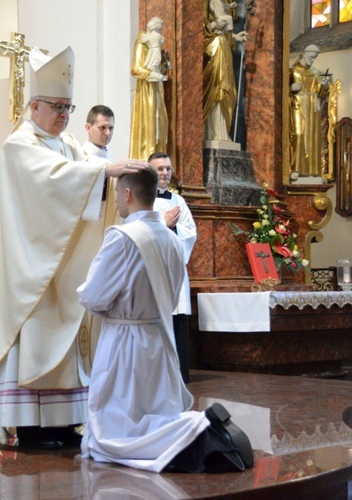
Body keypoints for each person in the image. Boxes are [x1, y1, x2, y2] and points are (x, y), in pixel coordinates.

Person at [0, 45, 149, 450]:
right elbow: (52, 183)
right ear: (34, 105)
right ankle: (32, 425)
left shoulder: (67, 145)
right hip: (32, 267)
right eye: (57, 106)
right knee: (37, 334)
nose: (65, 115)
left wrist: (111, 176)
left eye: (69, 107)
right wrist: (104, 170)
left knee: (69, 338)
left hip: (64, 266)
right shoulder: (19, 146)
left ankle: (66, 420)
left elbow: (81, 176)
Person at [77, 166, 253, 473]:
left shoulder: (121, 237)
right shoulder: (171, 239)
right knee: (153, 411)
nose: (118, 199)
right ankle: (194, 431)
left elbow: (94, 295)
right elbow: (172, 294)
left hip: (124, 339)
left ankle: (197, 430)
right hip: (159, 337)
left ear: (128, 194)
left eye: (119, 193)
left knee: (118, 425)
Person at [149, 151, 196, 383]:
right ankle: (157, 375)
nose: (165, 173)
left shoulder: (178, 201)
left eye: (168, 168)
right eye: (160, 169)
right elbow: (140, 228)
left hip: (175, 268)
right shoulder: (142, 197)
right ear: (150, 171)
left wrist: (175, 229)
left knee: (176, 319)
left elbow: (191, 232)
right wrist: (164, 224)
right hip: (153, 268)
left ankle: (179, 373)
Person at [203, 0, 248, 143]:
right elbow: (211, 29)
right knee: (219, 89)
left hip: (224, 47)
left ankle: (223, 132)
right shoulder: (213, 4)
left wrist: (236, 37)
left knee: (229, 90)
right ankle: (214, 132)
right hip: (217, 49)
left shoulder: (222, 36)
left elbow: (225, 33)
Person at [129, 17, 169, 160]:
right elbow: (135, 69)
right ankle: (147, 160)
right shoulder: (142, 44)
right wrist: (151, 74)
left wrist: (163, 68)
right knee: (150, 126)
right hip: (147, 90)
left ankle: (160, 163)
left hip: (157, 87)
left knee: (160, 126)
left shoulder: (154, 44)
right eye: (158, 27)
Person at [290, 44, 330, 176]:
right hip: (298, 103)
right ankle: (295, 168)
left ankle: (313, 170)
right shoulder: (293, 71)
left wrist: (324, 86)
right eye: (311, 57)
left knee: (313, 137)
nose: (312, 61)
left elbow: (322, 92)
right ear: (304, 54)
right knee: (298, 134)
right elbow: (281, 91)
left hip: (313, 105)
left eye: (315, 58)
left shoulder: (315, 72)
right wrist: (291, 89)